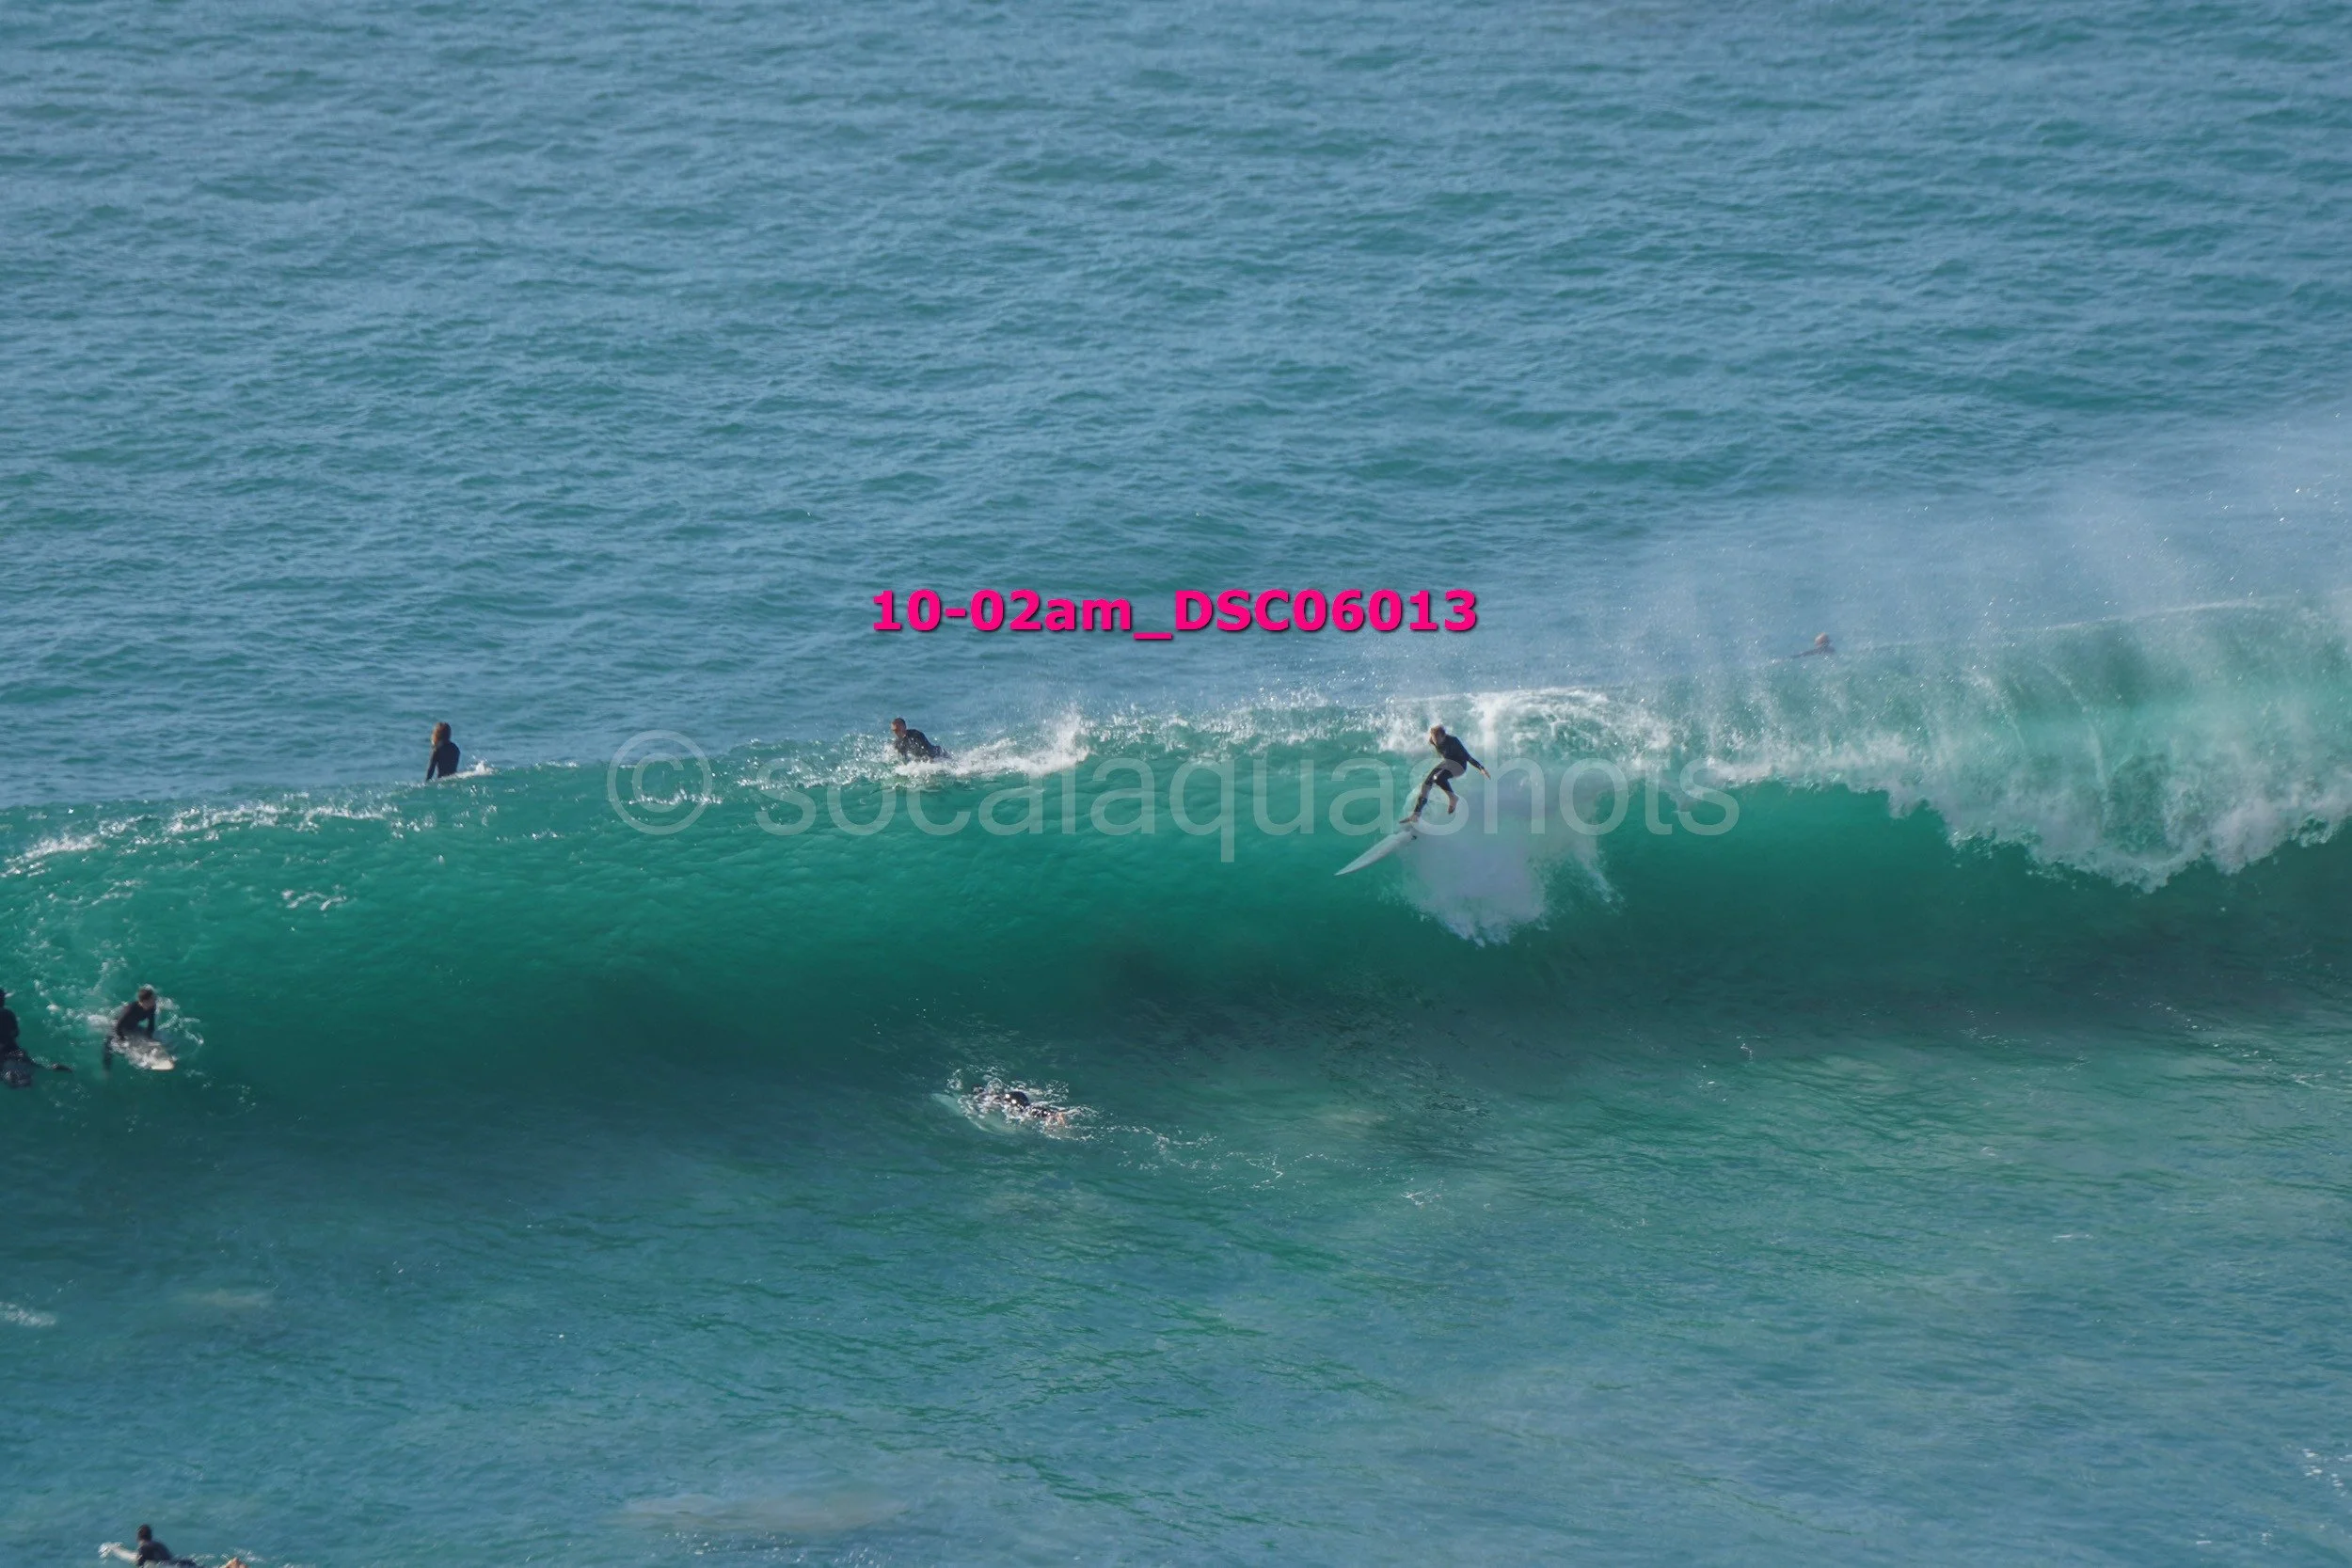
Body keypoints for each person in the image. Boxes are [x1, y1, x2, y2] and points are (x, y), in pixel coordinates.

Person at [1406, 724, 1489, 823]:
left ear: (1444, 736)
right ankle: (1416, 815)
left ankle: (1453, 798)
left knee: (1438, 778)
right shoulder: (1432, 740)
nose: (1435, 741)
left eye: (1437, 738)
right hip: (1447, 763)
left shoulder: (1453, 741)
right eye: (1433, 738)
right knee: (1426, 785)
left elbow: (1468, 757)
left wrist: (1481, 768)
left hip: (1460, 766)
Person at [1, 987, 73, 1085]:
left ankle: (13, 1078)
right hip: (14, 1048)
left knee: (6, 1073)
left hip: (3, 1053)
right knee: (34, 1064)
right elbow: (16, 1033)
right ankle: (54, 1067)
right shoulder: (9, 1014)